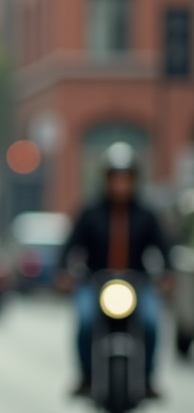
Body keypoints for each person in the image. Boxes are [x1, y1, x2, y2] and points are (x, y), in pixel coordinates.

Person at [56, 142, 173, 397]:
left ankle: (147, 378)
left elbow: (163, 247)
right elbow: (70, 245)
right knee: (86, 322)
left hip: (136, 284)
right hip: (95, 282)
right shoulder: (90, 212)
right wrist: (64, 271)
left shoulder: (146, 214)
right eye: (116, 178)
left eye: (126, 179)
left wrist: (167, 274)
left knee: (152, 323)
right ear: (106, 180)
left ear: (134, 181)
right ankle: (86, 375)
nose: (121, 185)